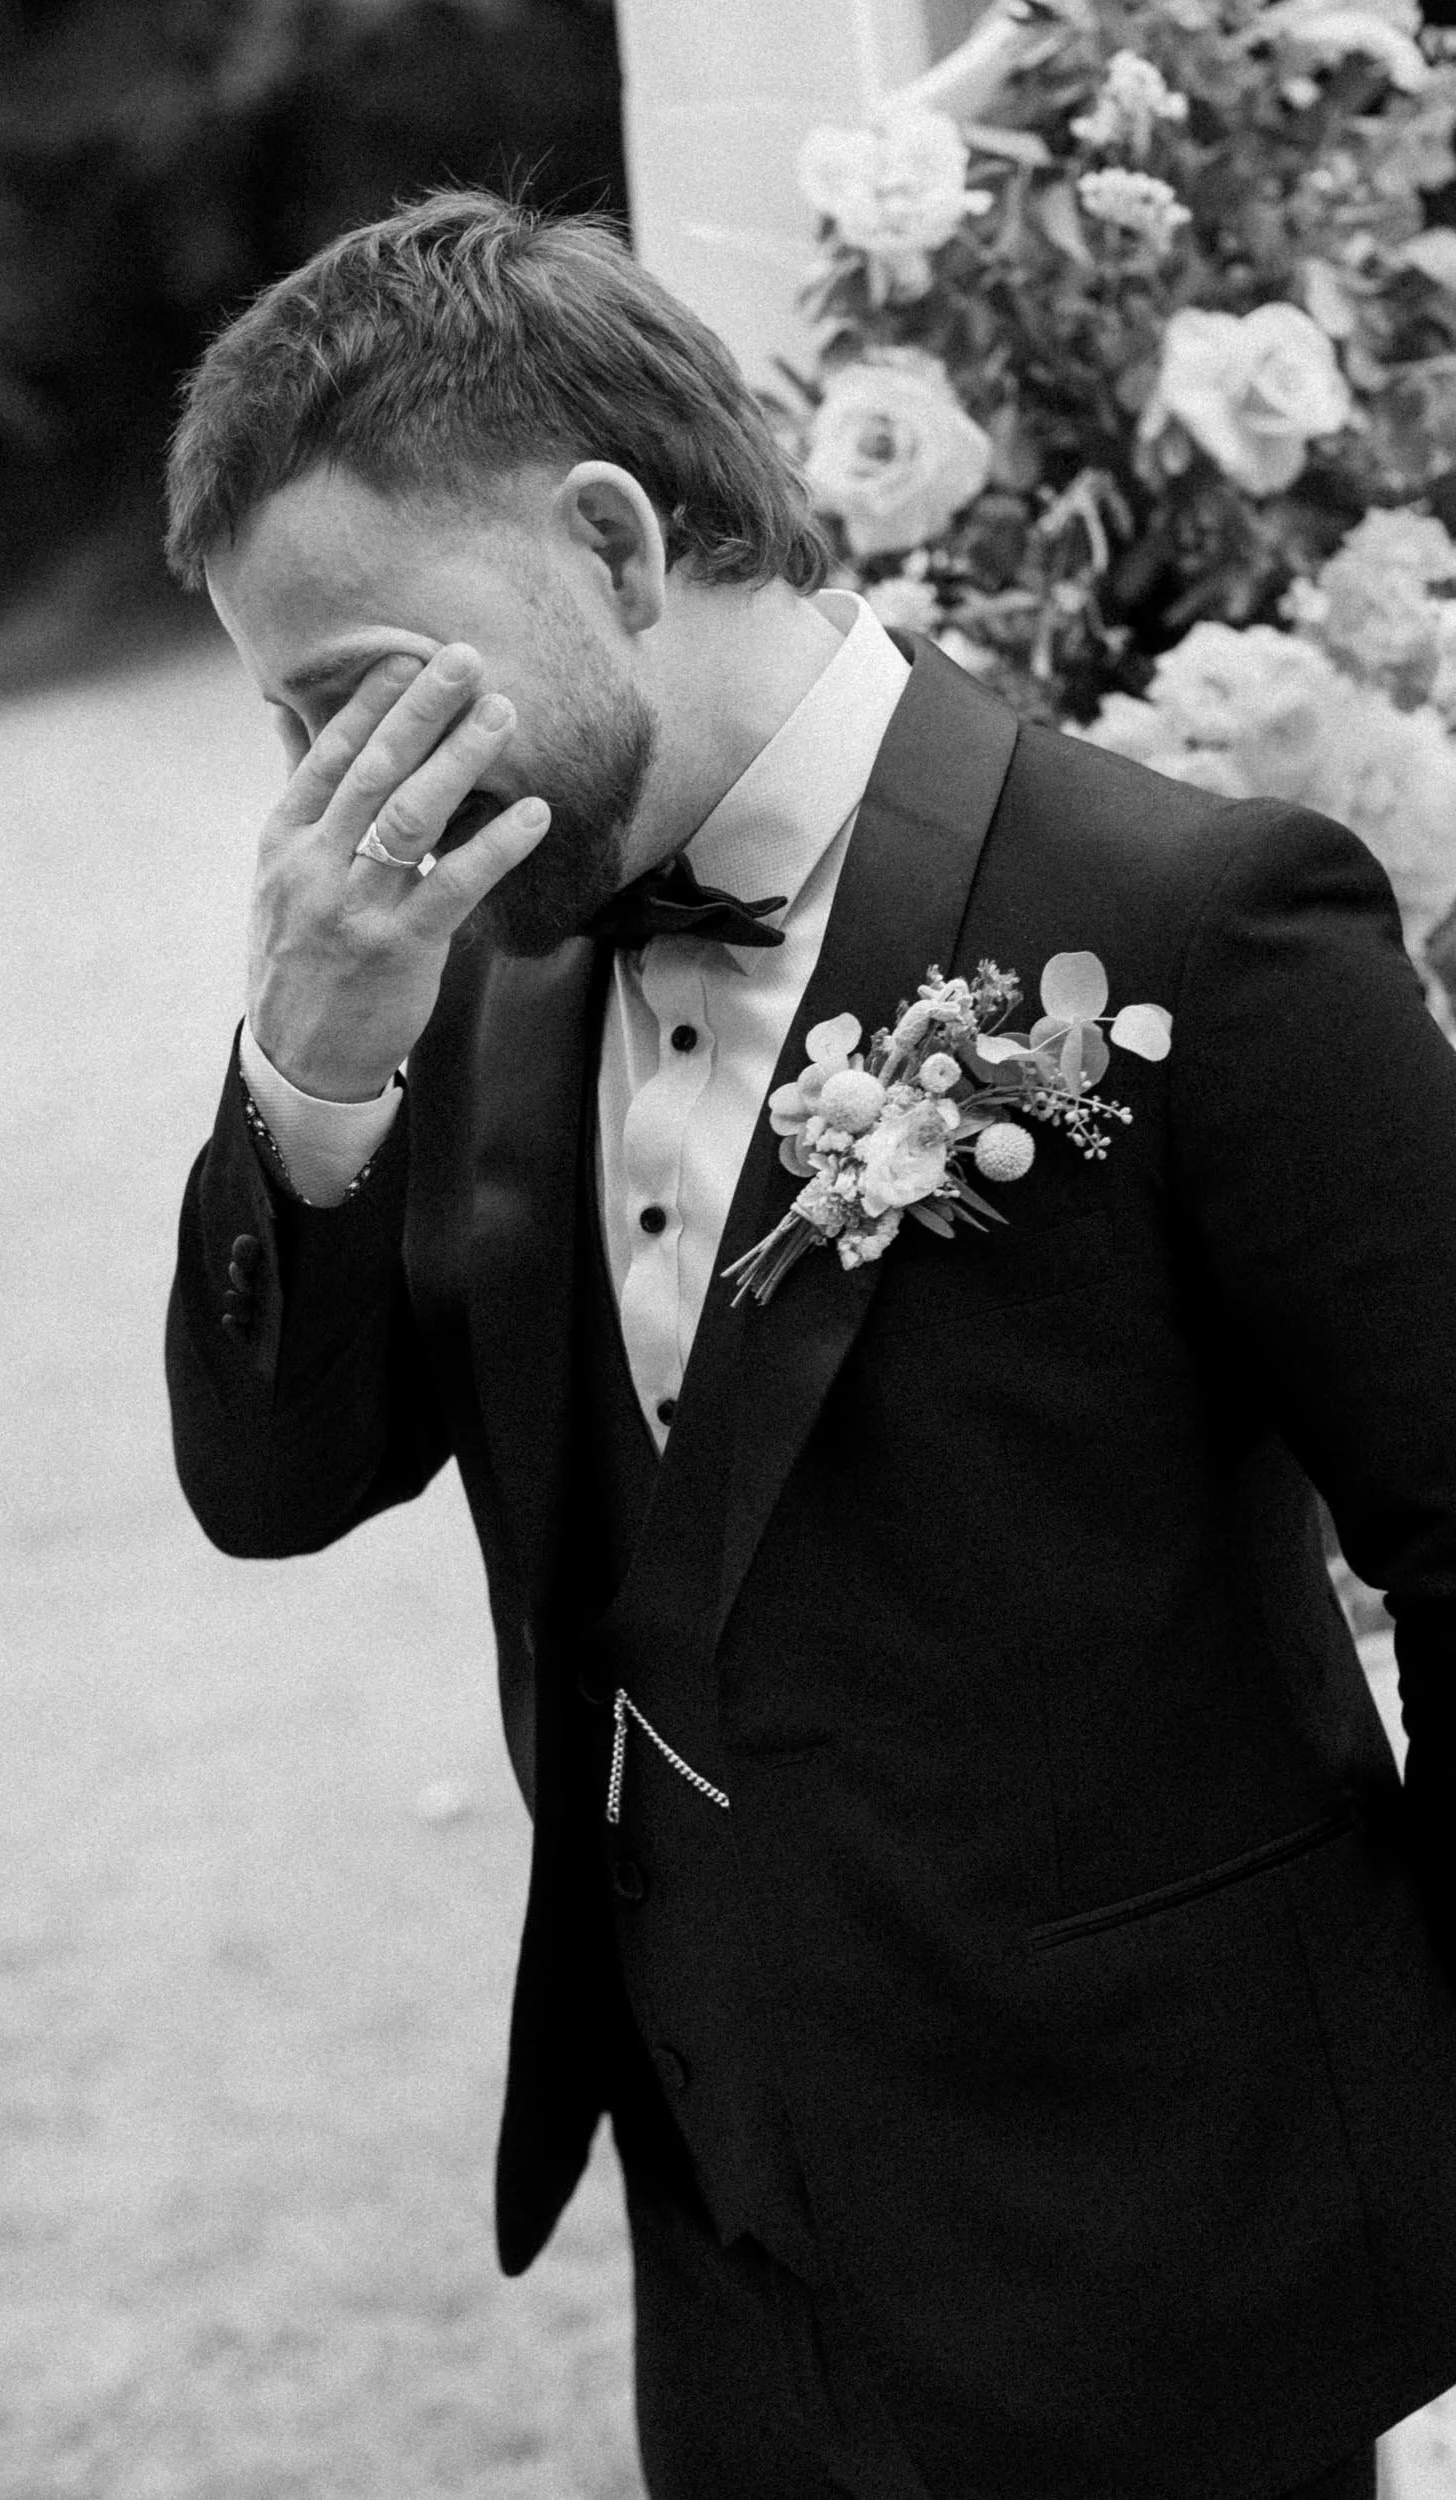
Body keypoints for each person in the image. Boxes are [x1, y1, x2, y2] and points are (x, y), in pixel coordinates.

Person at [162, 188, 1456, 2500]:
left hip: (1177, 2250)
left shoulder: (1192, 917)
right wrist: (313, 1068)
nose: (313, 796)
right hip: (732, 2265)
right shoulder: (470, 966)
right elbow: (271, 1485)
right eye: (281, 720)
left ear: (613, 540)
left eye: (348, 687)